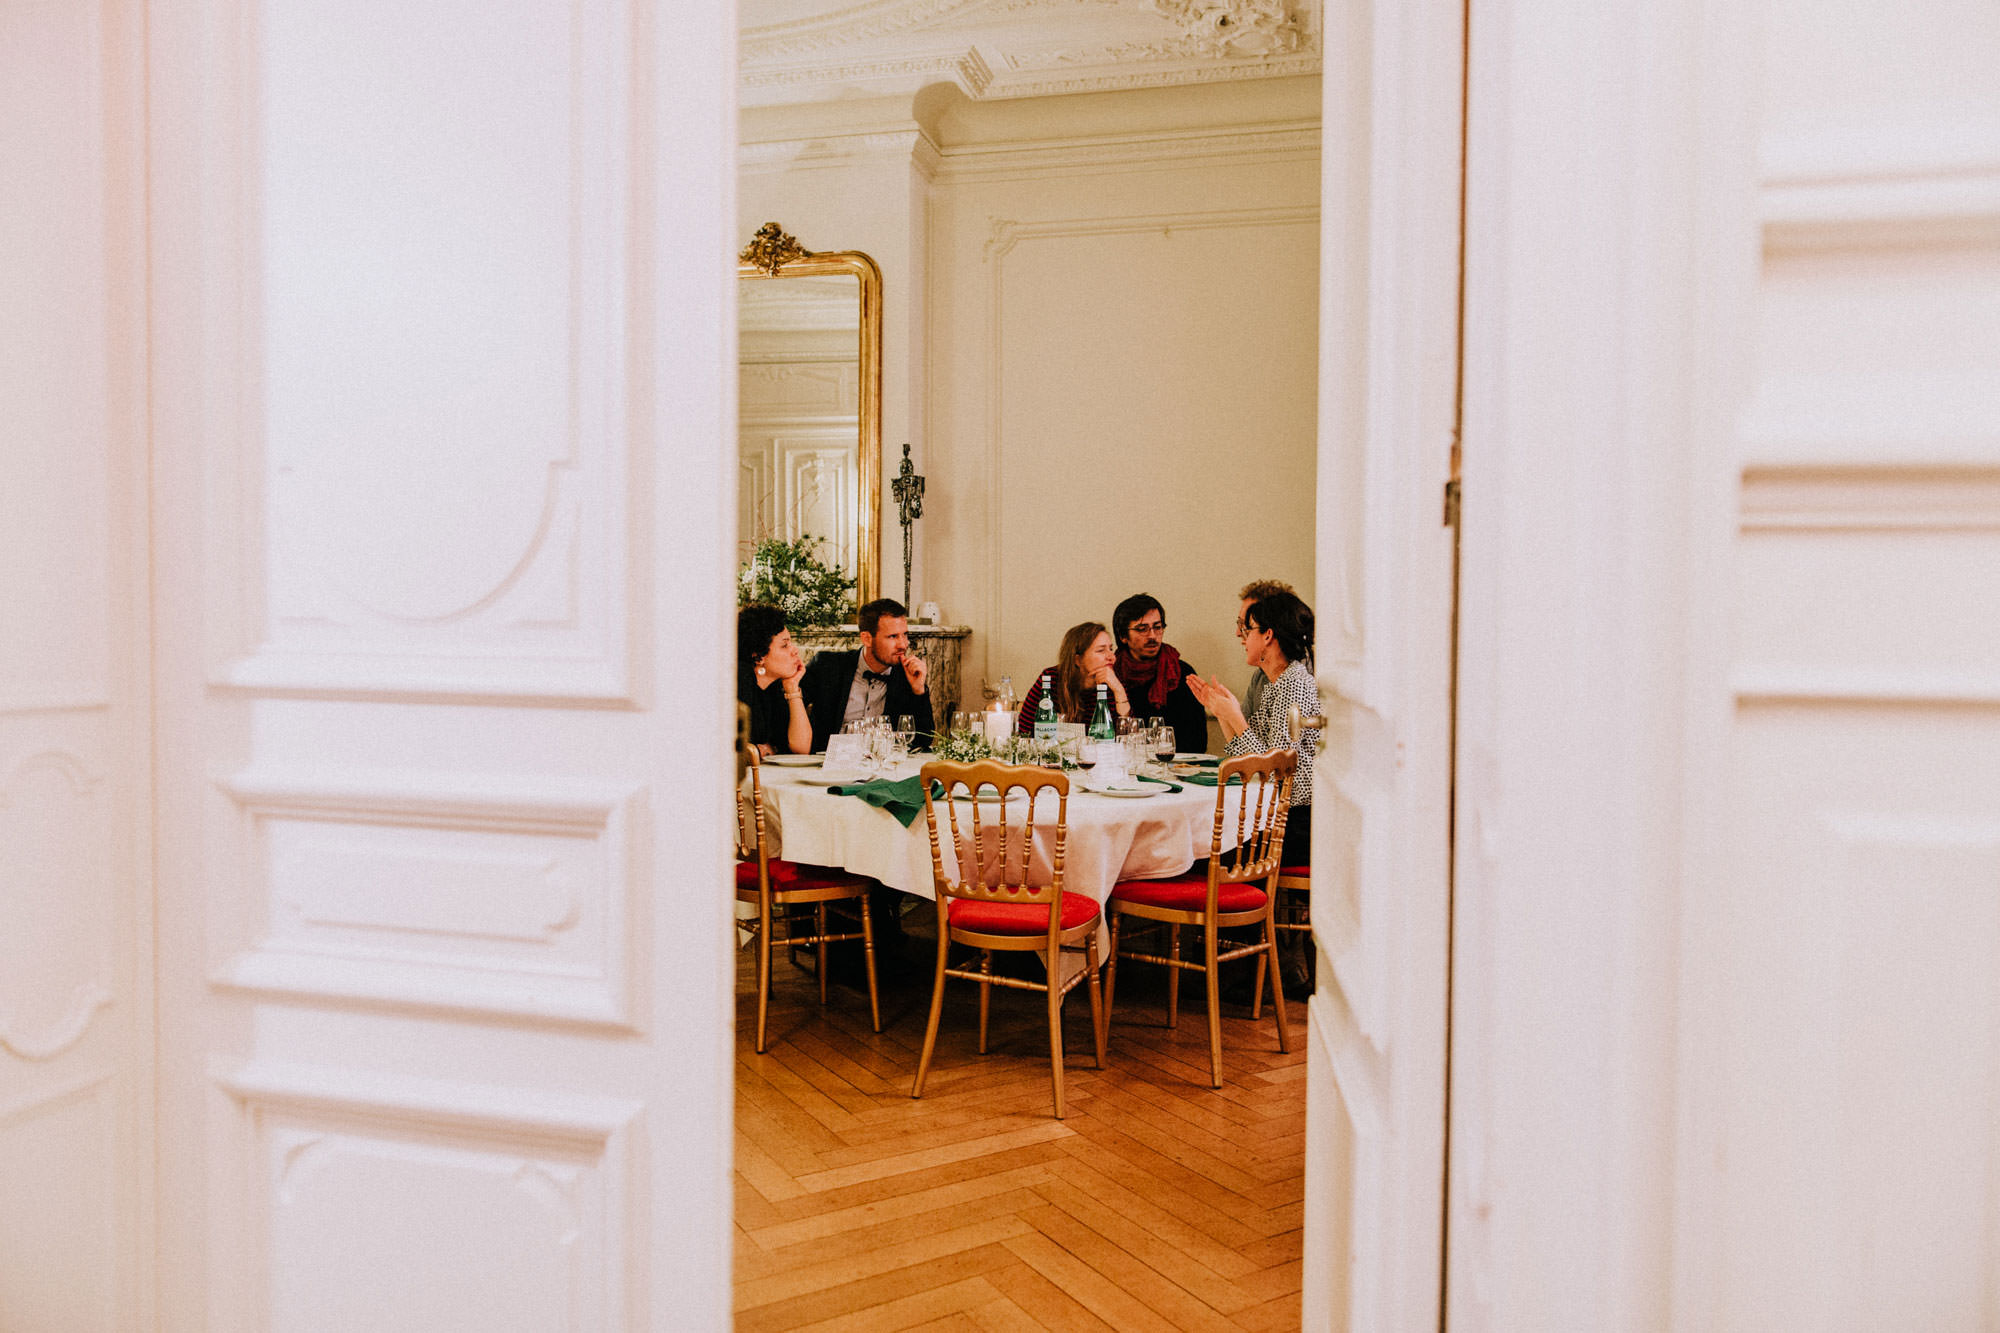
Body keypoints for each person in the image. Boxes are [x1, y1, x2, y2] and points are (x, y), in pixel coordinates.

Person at [1190, 590, 1320, 873]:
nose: (1242, 638)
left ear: (1268, 635)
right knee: (1196, 846)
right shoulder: (1276, 683)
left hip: (1295, 823)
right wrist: (1222, 713)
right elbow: (1249, 760)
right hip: (1274, 817)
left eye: (1247, 630)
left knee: (1195, 856)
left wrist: (1235, 717)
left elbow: (1275, 771)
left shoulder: (1294, 683)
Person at [799, 598, 934, 753]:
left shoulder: (907, 676)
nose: (903, 644)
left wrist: (918, 691)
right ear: (867, 639)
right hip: (827, 762)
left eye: (905, 635)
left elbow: (923, 741)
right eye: (893, 636)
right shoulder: (827, 666)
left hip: (882, 763)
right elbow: (788, 710)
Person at [1111, 593, 1207, 754]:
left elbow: (1197, 740)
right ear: (1123, 636)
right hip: (1124, 761)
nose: (1152, 636)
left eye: (1157, 627)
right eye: (1142, 629)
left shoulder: (1180, 672)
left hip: (1175, 762)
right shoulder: (1112, 673)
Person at [1015, 622, 1132, 734]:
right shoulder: (1050, 679)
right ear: (1078, 660)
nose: (1112, 657)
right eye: (1101, 650)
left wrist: (1119, 691)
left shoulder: (1113, 682)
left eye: (1111, 649)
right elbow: (1024, 730)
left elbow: (1127, 736)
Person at [737, 604, 812, 756]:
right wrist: (758, 751)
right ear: (759, 657)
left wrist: (792, 688)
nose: (795, 650)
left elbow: (801, 748)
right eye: (784, 645)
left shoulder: (773, 686)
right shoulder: (738, 680)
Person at [1236, 578, 1297, 720]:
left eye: (1247, 625)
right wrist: (1224, 713)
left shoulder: (1296, 680)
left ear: (1269, 632)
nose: (1238, 632)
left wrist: (1232, 714)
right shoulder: (1260, 676)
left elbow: (1282, 737)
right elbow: (1247, 733)